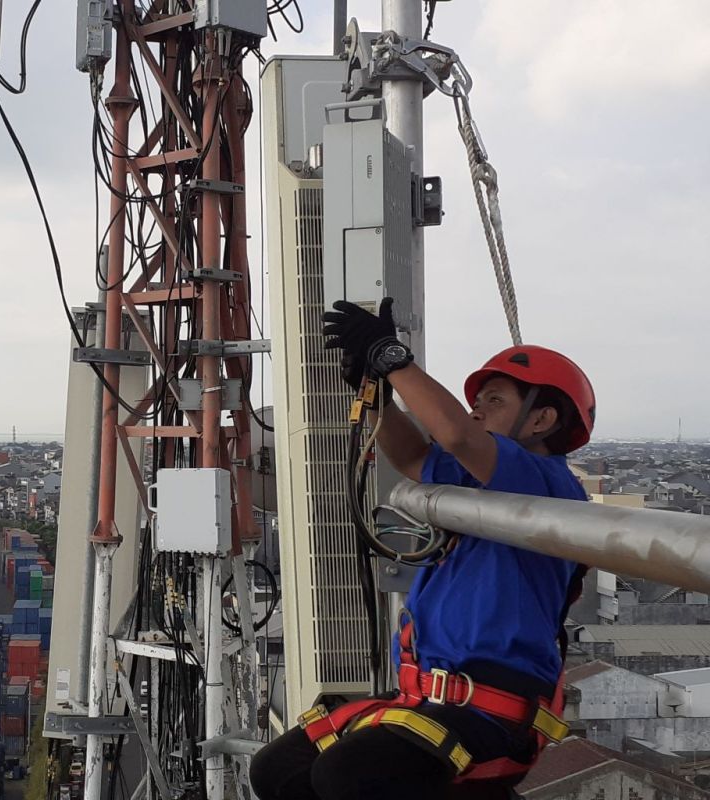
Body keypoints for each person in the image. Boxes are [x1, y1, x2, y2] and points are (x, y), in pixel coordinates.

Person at [249, 298, 595, 800]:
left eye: (494, 401)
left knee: (349, 776)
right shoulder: (481, 485)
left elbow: (453, 433)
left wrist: (393, 359)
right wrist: (379, 399)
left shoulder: (544, 482)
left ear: (541, 420)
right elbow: (414, 456)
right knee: (278, 771)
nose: (477, 408)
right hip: (427, 695)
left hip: (489, 709)